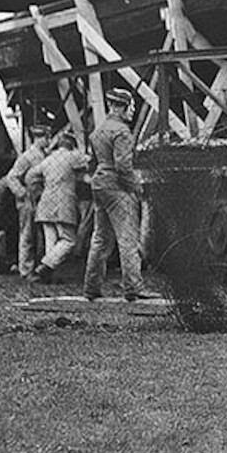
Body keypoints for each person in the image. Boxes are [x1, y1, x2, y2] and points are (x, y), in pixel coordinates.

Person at [83, 88, 151, 301]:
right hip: (117, 187)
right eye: (131, 107)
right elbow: (123, 166)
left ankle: (91, 287)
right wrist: (136, 187)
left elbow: (92, 163)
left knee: (100, 238)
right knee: (128, 238)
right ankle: (133, 287)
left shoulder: (99, 131)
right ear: (122, 108)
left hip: (99, 185)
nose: (133, 111)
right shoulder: (122, 132)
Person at [26, 130, 89, 284]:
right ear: (71, 145)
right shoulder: (72, 156)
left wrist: (37, 191)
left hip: (45, 202)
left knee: (51, 242)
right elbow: (88, 161)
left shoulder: (48, 159)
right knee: (69, 240)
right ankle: (45, 266)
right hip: (63, 202)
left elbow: (30, 175)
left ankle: (49, 276)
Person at [6, 125, 53, 278]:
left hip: (41, 199)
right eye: (46, 137)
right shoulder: (27, 157)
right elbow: (12, 177)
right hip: (28, 201)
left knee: (39, 235)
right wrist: (22, 193)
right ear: (38, 138)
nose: (49, 140)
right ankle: (26, 269)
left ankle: (37, 267)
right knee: (28, 235)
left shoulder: (45, 155)